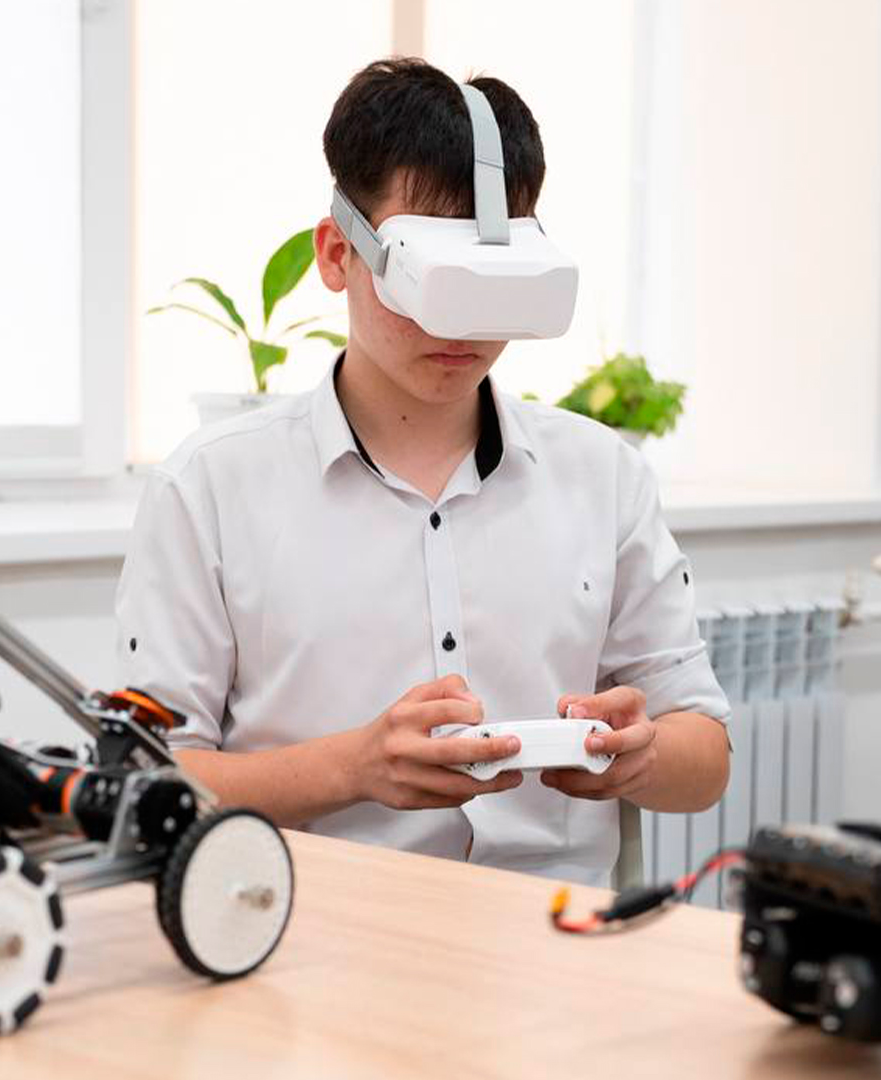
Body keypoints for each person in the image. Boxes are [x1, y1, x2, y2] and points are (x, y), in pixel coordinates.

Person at [114, 57, 730, 886]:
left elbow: (706, 756)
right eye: (434, 279)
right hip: (313, 925)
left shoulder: (603, 477)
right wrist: (353, 768)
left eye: (492, 282)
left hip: (545, 929)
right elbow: (149, 781)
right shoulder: (210, 490)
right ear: (338, 253)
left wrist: (640, 755)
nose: (462, 326)